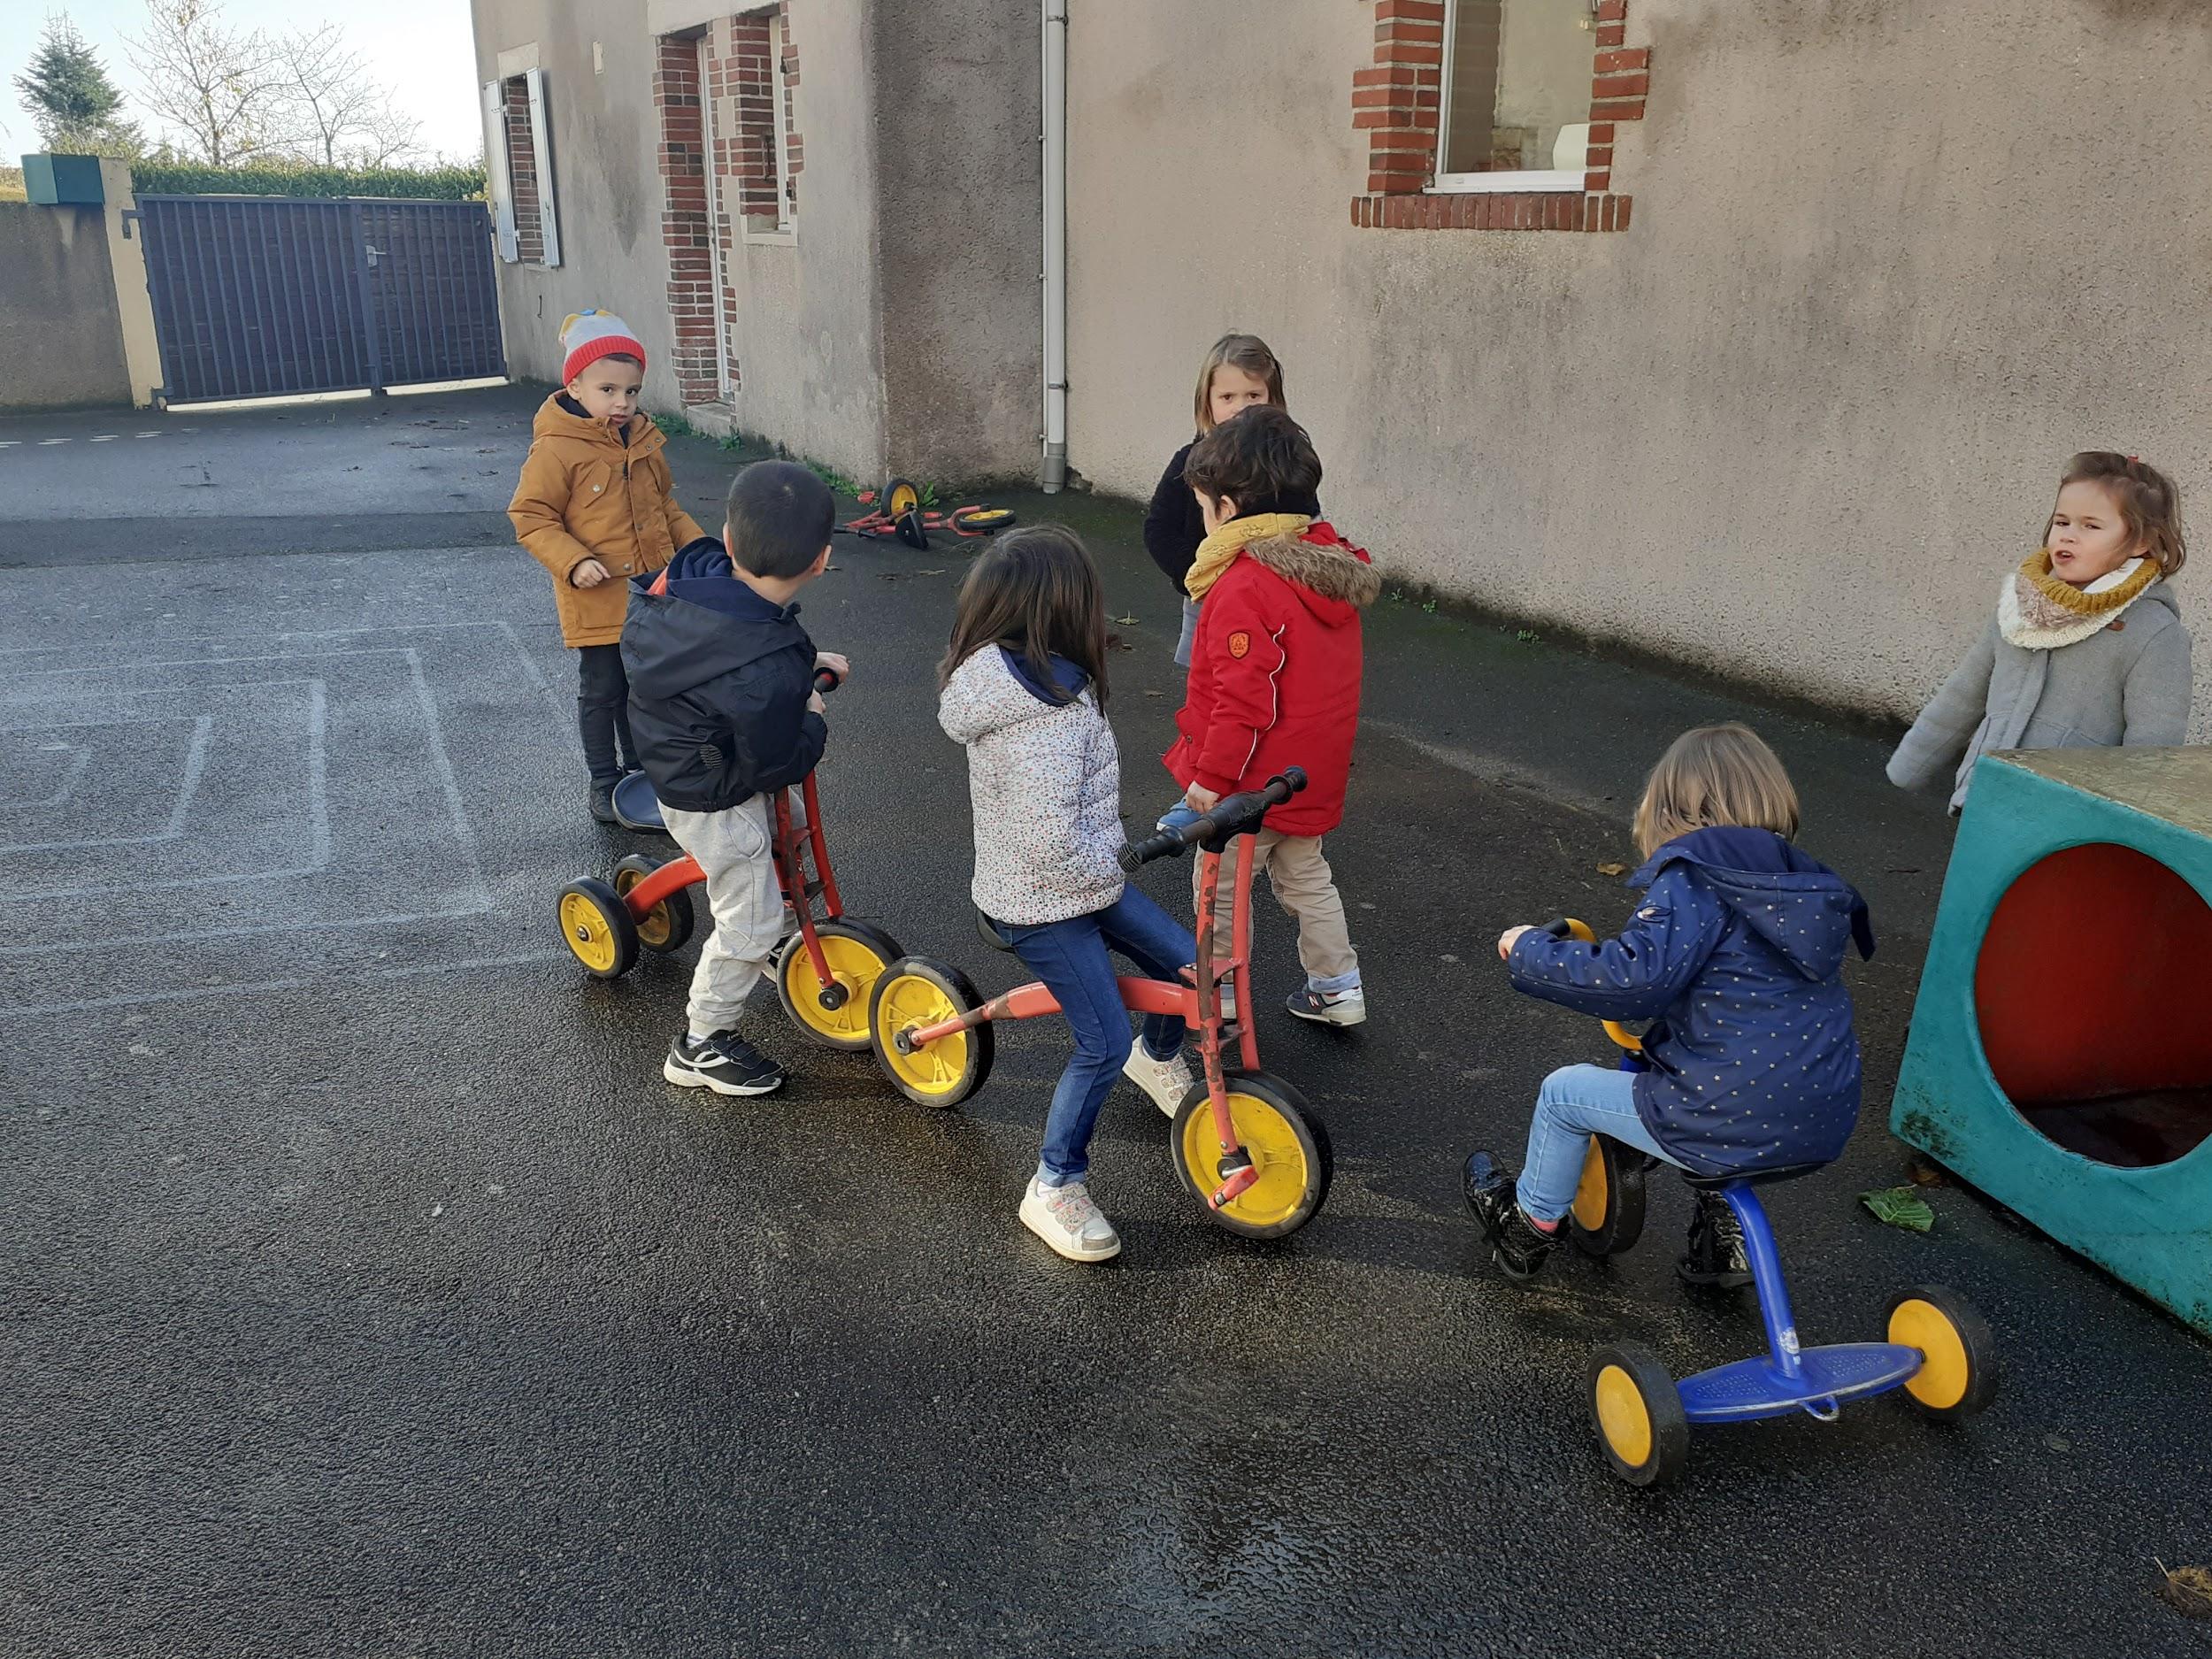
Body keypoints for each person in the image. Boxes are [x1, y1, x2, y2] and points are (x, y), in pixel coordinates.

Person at [1464, 725, 1875, 1286]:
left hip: (1722, 1117)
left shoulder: (1696, 878)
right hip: (1821, 1118)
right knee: (1741, 1083)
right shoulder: (1801, 889)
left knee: (1566, 1093)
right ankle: (1725, 1246)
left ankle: (1526, 1228)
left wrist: (1531, 950)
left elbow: (1633, 983)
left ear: (1669, 809)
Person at [939, 526, 1198, 1263]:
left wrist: (1106, 865)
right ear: (1064, 609)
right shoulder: (1041, 718)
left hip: (1080, 879)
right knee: (1101, 1037)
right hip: (1034, 902)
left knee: (1188, 965)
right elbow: (1052, 840)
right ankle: (1054, 1184)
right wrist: (1118, 859)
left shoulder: (1049, 681)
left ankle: (1159, 1057)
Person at [622, 461, 845, 1099]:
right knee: (747, 909)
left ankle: (773, 937)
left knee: (790, 830)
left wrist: (802, 663)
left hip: (694, 752)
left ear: (727, 537)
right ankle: (701, 1043)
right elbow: (779, 761)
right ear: (821, 560)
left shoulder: (690, 584)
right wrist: (809, 716)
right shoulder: (765, 671)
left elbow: (743, 645)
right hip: (711, 792)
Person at [1166, 405, 1379, 1027]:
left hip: (1247, 782)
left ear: (1228, 509)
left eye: (1205, 507)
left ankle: (1221, 1001)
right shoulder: (1328, 568)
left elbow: (1242, 701)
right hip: (1309, 770)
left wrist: (1209, 780)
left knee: (1222, 888)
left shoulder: (1243, 585)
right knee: (1306, 875)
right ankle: (1337, 987)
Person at [1888, 451, 2193, 811]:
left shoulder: (2152, 631)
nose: (2069, 536)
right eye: (2062, 522)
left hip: (2070, 819)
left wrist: (2123, 825)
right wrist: (1909, 764)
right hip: (1983, 795)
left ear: (2141, 540)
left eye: (2091, 526)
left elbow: (2153, 743)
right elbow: (1964, 692)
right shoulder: (2020, 606)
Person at [510, 311, 708, 824]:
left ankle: (644, 776)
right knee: (604, 691)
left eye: (633, 391)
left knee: (648, 689)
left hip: (654, 594)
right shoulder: (556, 449)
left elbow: (666, 509)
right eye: (607, 390)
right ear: (574, 384)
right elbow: (531, 516)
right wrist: (573, 562)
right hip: (596, 597)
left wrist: (702, 552)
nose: (622, 403)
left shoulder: (643, 441)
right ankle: (605, 780)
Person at [1143, 333, 1293, 667]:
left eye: (1254, 395)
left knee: (1266, 685)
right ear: (1207, 402)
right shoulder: (1189, 462)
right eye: (1227, 396)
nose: (1241, 407)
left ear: (1274, 400)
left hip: (1272, 605)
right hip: (1206, 604)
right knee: (1206, 689)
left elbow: (1306, 524)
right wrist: (1199, 574)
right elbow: (1158, 529)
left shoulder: (1287, 463)